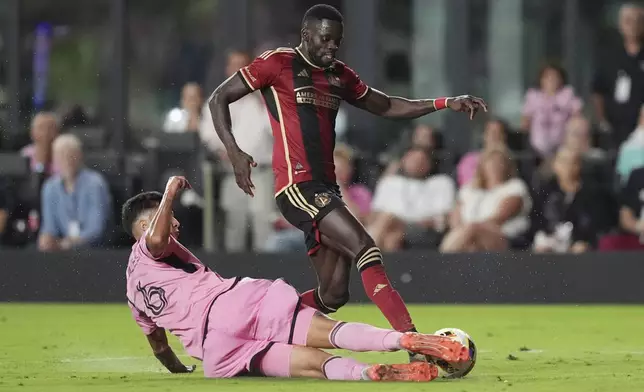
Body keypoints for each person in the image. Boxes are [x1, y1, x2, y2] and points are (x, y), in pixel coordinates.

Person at [208, 3, 487, 361]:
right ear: (305, 35)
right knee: (365, 246)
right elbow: (220, 98)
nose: (330, 49)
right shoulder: (278, 63)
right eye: (324, 40)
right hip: (297, 187)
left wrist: (446, 102)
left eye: (336, 43)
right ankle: (414, 343)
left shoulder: (339, 74)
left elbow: (386, 106)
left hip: (326, 189)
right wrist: (233, 151)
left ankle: (255, 325)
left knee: (333, 294)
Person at [122, 176, 470, 381]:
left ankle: (365, 374)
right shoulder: (153, 243)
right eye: (166, 218)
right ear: (142, 226)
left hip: (218, 351)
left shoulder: (132, 292)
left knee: (315, 365)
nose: (175, 224)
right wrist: (169, 192)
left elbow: (160, 347)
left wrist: (179, 370)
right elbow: (155, 238)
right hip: (234, 303)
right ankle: (403, 341)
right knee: (330, 333)